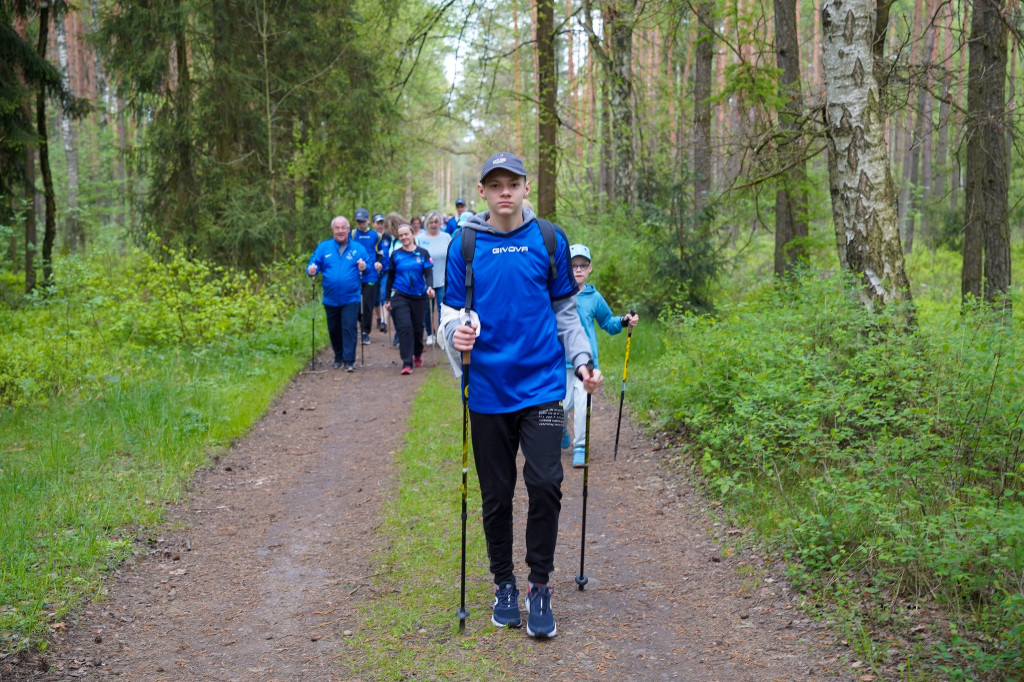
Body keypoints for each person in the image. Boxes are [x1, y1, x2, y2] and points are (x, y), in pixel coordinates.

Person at [438, 151, 599, 639]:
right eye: (495, 184)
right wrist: (454, 336)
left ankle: (539, 585)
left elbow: (566, 312)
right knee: (497, 494)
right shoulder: (464, 245)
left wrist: (582, 361)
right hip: (487, 390)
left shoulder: (548, 239)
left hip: (543, 386)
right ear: (484, 192)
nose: (504, 191)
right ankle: (504, 583)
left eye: (513, 183)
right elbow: (448, 316)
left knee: (547, 482)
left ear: (526, 189)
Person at [562, 243, 639, 467]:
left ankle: (580, 446)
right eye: (573, 265)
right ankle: (561, 427)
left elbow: (607, 322)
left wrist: (624, 321)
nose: (578, 270)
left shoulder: (594, 297)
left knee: (583, 402)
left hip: (586, 363)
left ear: (590, 268)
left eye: (583, 266)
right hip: (560, 361)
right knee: (561, 405)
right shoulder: (559, 294)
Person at [306, 216, 369, 372]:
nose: (340, 231)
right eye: (337, 228)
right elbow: (313, 264)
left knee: (349, 327)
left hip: (351, 296)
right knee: (334, 329)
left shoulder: (358, 248)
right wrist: (311, 270)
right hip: (331, 297)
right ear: (333, 230)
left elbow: (368, 268)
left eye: (343, 228)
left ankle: (349, 360)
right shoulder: (324, 247)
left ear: (348, 229)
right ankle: (338, 356)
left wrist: (364, 266)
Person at [384, 221, 435, 374]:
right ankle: (407, 363)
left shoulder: (423, 253)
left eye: (406, 234)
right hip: (400, 294)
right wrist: (387, 299)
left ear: (413, 234)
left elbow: (428, 273)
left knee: (418, 329)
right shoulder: (396, 255)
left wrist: (430, 287)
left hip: (419, 295)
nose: (404, 237)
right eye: (401, 235)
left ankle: (418, 353)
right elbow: (390, 277)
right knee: (404, 327)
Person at [415, 210, 451, 346]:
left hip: (443, 279)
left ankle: (442, 334)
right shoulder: (420, 239)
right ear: (426, 223)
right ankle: (430, 333)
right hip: (425, 280)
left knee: (443, 308)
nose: (433, 224)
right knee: (427, 309)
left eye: (436, 222)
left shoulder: (446, 237)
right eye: (431, 222)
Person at [350, 207, 385, 346]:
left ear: (368, 220)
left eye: (363, 221)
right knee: (356, 303)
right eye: (358, 222)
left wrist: (379, 263)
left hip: (371, 275)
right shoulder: (352, 234)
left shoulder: (376, 236)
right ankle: (359, 324)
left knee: (368, 304)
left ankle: (365, 332)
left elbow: (380, 253)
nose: (360, 224)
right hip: (354, 274)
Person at [372, 213, 392, 334]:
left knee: (385, 294)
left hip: (386, 270)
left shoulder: (388, 237)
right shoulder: (371, 237)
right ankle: (379, 317)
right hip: (373, 272)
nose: (380, 225)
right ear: (373, 224)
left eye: (382, 223)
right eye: (378, 223)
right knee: (375, 299)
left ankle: (384, 321)